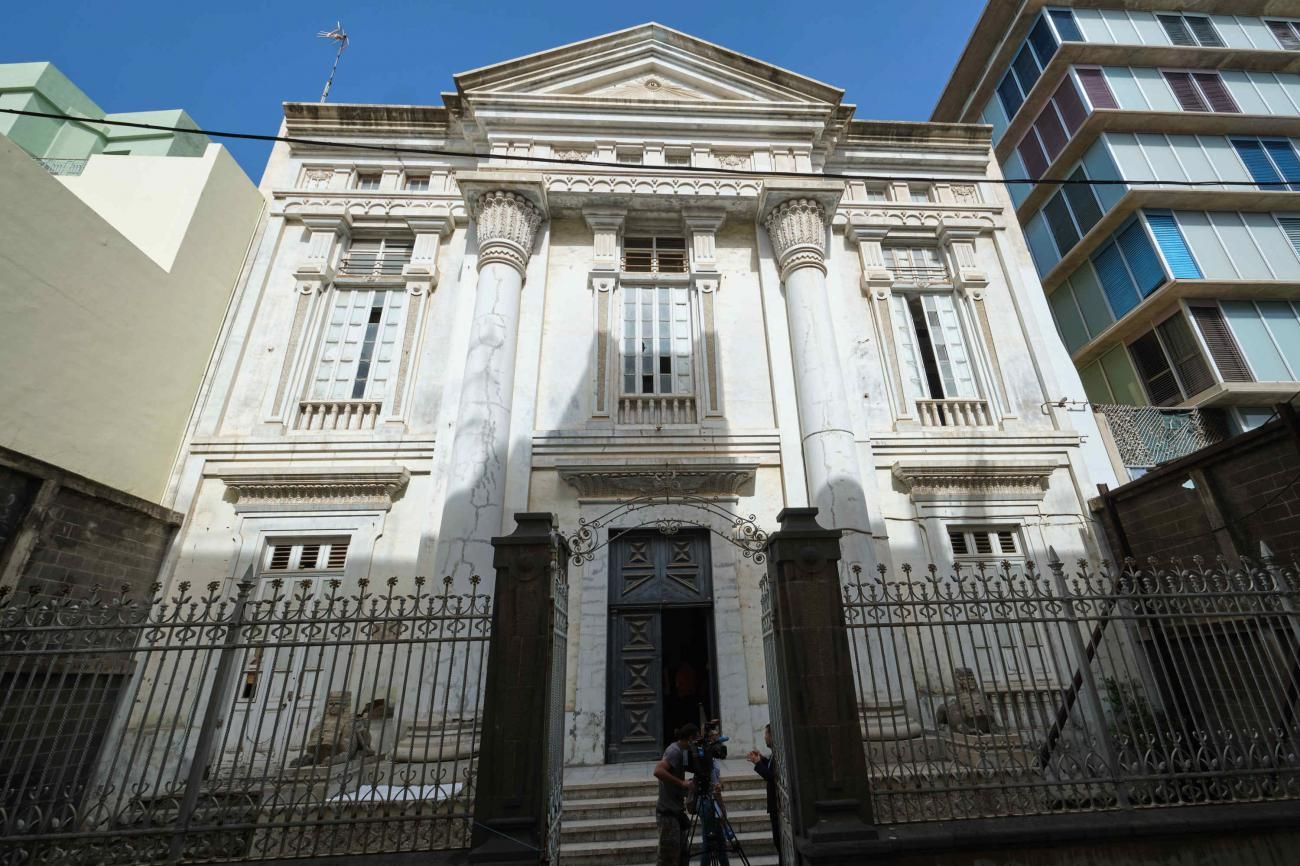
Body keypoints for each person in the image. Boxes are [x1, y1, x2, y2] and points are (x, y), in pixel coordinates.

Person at [654, 722, 696, 866]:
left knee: (682, 855)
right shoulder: (675, 751)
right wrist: (681, 783)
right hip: (667, 812)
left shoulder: (682, 751)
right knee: (668, 858)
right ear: (690, 738)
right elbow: (658, 771)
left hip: (676, 811)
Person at [747, 723, 781, 864]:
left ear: (772, 736)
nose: (765, 737)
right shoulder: (776, 752)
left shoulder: (779, 752)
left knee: (780, 841)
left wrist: (757, 763)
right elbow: (771, 768)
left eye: (766, 734)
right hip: (777, 804)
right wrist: (762, 759)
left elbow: (770, 776)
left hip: (778, 804)